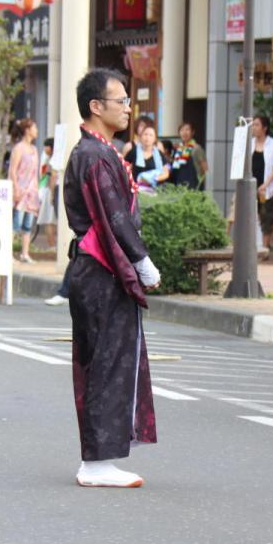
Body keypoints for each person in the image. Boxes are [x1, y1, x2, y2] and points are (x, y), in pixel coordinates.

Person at [65, 69, 161, 488]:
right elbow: (114, 218)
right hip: (101, 270)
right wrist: (141, 261)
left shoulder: (100, 151)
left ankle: (100, 457)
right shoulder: (94, 156)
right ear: (96, 106)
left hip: (100, 270)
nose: (127, 108)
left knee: (108, 359)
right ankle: (97, 462)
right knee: (106, 361)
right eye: (120, 100)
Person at [8, 118, 41, 263]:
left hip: (31, 192)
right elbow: (13, 170)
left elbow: (36, 172)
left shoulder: (34, 149)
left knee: (28, 225)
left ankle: (25, 253)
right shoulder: (18, 148)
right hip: (20, 191)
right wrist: (15, 188)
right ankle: (8, 254)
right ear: (27, 130)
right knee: (16, 223)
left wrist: (36, 189)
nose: (36, 131)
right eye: (34, 127)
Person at [250, 116, 273, 249]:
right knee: (253, 216)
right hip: (251, 187)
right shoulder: (250, 144)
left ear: (265, 128)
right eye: (253, 125)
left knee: (266, 217)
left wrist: (266, 184)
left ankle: (265, 248)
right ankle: (253, 247)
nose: (254, 128)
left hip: (266, 188)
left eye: (257, 125)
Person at [168, 122, 208, 190]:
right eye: (182, 130)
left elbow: (205, 168)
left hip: (193, 186)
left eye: (187, 129)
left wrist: (202, 183)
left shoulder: (196, 148)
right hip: (178, 185)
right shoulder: (178, 149)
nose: (184, 132)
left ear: (192, 132)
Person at [129, 124, 168, 192]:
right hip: (137, 189)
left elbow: (166, 173)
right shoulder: (134, 151)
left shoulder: (159, 153)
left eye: (151, 135)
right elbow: (125, 168)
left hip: (155, 190)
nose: (147, 137)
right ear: (141, 137)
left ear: (155, 139)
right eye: (145, 134)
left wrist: (153, 179)